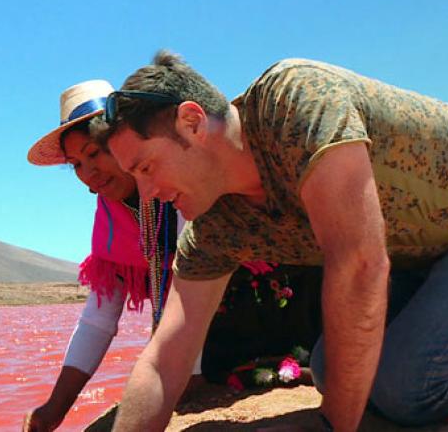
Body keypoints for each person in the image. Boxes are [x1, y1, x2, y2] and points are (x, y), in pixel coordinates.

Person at [93, 51, 448, 431]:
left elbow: (361, 264)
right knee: (334, 369)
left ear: (193, 123)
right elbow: (164, 358)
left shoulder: (294, 99)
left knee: (406, 388)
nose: (147, 193)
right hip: (442, 250)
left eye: (146, 167)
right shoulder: (217, 224)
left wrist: (332, 425)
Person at [24, 80, 322, 431]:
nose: (88, 175)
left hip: (250, 301)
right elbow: (98, 317)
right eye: (75, 164)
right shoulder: (109, 217)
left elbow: (192, 279)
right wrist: (54, 409)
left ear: (122, 142)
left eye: (94, 153)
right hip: (198, 322)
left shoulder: (179, 179)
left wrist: (187, 377)